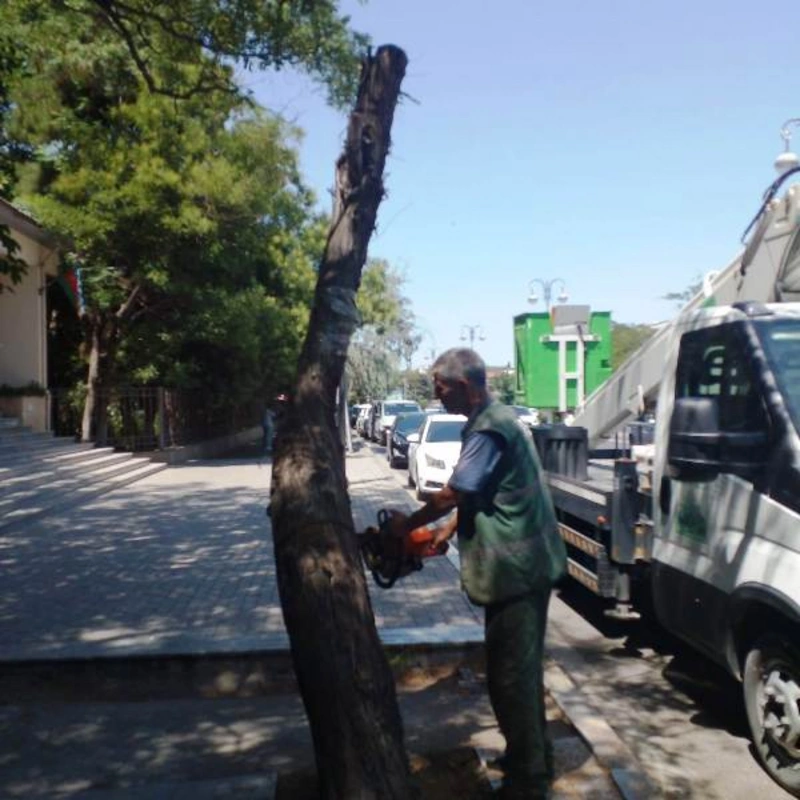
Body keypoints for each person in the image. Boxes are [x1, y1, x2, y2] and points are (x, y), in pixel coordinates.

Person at [388, 348, 567, 799]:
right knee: (518, 672)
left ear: (465, 386)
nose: (436, 395)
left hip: (518, 572)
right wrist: (446, 532)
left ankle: (529, 780)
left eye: (440, 387)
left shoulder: (489, 428)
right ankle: (531, 755)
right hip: (523, 569)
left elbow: (455, 492)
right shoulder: (496, 418)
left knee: (512, 676)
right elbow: (481, 494)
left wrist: (404, 527)